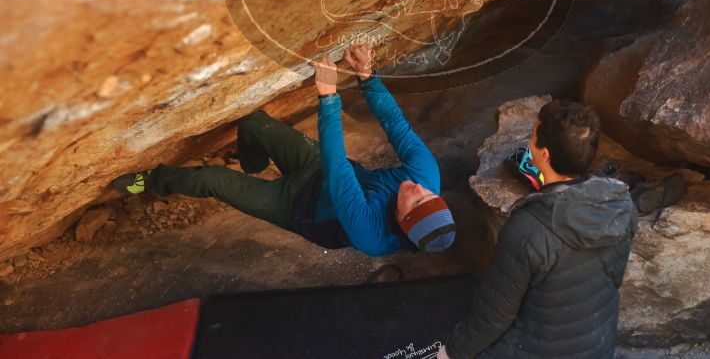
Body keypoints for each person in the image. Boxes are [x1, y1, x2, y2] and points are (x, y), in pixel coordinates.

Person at [110, 42, 456, 257]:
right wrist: (367, 75)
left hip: (295, 207)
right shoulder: (425, 176)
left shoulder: (371, 236)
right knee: (254, 124)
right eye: (430, 195)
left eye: (416, 200)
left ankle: (151, 180)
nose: (418, 188)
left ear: (401, 219)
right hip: (319, 172)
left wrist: (328, 96)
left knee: (211, 179)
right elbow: (397, 125)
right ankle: (252, 165)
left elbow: (339, 168)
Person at [438, 100, 637, 359]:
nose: (529, 145)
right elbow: (614, 279)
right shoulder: (622, 204)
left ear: (543, 155)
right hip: (598, 345)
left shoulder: (529, 227)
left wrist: (450, 353)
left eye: (532, 138)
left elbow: (493, 317)